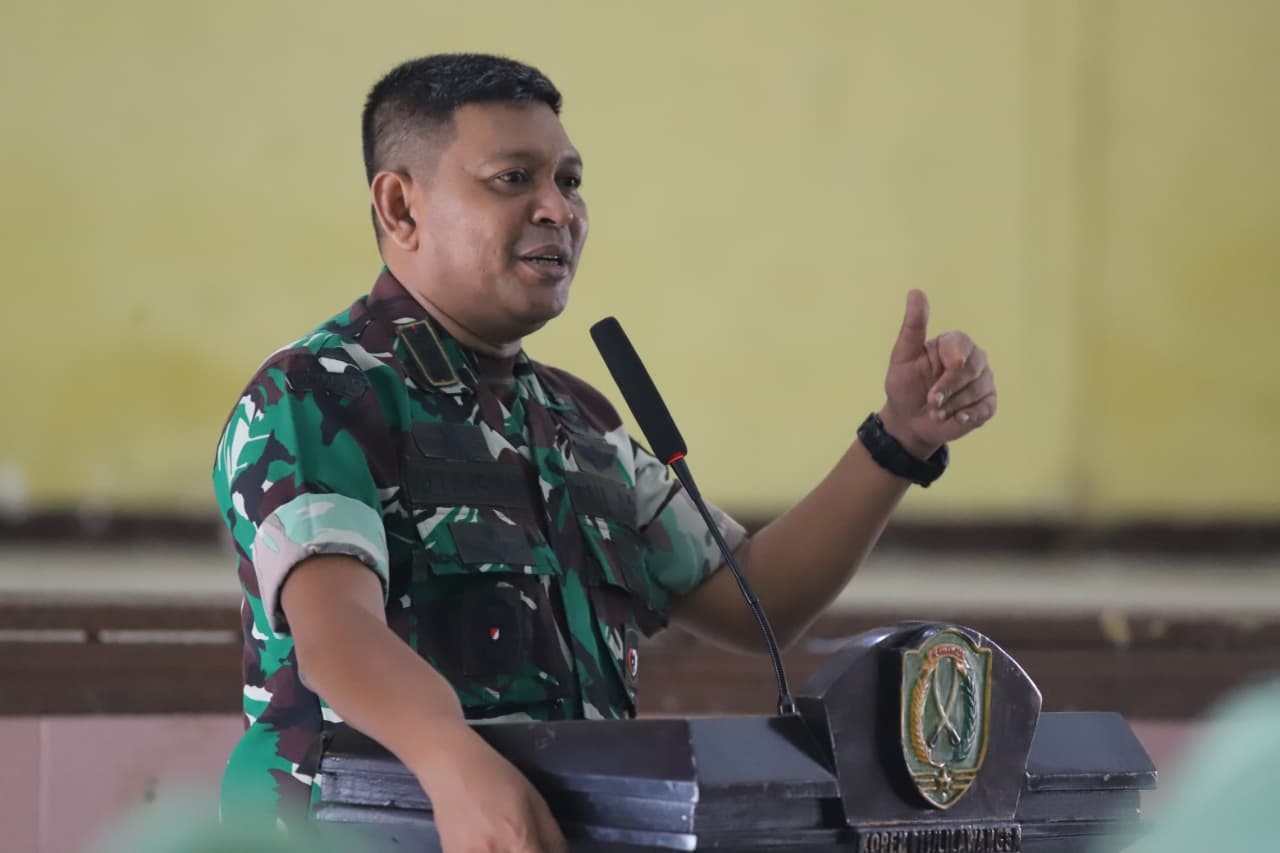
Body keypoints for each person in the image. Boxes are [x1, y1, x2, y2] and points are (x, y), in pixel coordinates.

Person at [211, 53, 997, 853]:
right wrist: (457, 766)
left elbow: (759, 595)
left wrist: (900, 439)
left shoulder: (577, 422)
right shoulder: (320, 393)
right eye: (513, 178)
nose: (558, 208)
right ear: (400, 206)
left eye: (571, 181)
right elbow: (338, 637)